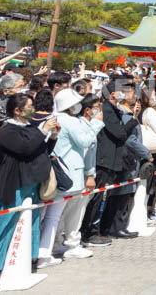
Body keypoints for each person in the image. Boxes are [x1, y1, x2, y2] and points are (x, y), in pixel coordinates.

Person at [0, 93, 58, 292]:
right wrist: (43, 131)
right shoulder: (7, 130)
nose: (33, 110)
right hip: (11, 185)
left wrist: (52, 137)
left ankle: (20, 262)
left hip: (30, 184)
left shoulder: (29, 128)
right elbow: (25, 148)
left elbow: (39, 149)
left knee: (28, 224)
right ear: (17, 110)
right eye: (30, 106)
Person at [38, 88, 102, 264]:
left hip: (55, 170)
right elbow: (85, 141)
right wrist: (95, 124)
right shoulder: (69, 121)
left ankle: (52, 246)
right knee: (55, 216)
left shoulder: (54, 118)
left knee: (51, 215)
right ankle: (47, 252)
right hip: (69, 173)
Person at [79, 80, 133, 247]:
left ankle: (98, 230)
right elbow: (119, 133)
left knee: (104, 196)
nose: (123, 93)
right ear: (111, 94)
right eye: (119, 91)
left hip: (111, 160)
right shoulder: (107, 110)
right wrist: (133, 121)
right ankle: (90, 232)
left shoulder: (114, 109)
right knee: (98, 198)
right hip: (104, 160)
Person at [104, 89, 150, 238]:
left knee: (123, 194)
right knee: (120, 194)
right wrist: (146, 154)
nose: (135, 96)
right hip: (126, 159)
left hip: (129, 158)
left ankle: (117, 226)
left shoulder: (130, 116)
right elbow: (130, 140)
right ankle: (116, 227)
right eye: (130, 93)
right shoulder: (125, 117)